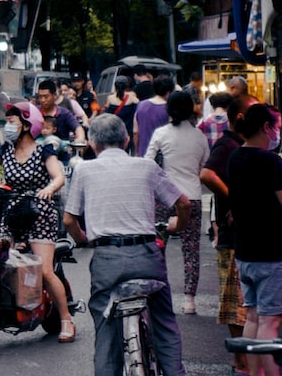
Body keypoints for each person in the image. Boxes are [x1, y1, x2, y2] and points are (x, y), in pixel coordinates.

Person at [62, 113, 190, 376]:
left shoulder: (84, 170)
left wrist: (83, 239)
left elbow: (69, 220)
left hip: (107, 260)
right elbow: (184, 203)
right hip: (146, 256)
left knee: (106, 332)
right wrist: (178, 225)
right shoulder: (146, 166)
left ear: (93, 144)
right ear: (125, 139)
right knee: (164, 322)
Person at [0, 102, 79, 342]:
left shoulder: (44, 151)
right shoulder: (5, 150)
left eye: (12, 122)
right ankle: (9, 307)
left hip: (39, 213)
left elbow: (58, 177)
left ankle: (66, 319)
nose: (7, 126)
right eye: (7, 121)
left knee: (44, 270)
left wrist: (48, 189)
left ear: (26, 125)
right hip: (12, 213)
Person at [226, 103, 282, 376]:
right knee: (270, 323)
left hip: (246, 251)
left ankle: (252, 372)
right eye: (278, 126)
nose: (278, 132)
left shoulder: (235, 158)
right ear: (266, 127)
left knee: (252, 316)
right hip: (273, 251)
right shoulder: (271, 160)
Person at [146, 91, 209, 314]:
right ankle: (189, 299)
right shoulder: (200, 136)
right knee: (191, 249)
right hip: (191, 196)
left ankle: (159, 293)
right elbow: (203, 166)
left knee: (158, 247)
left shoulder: (161, 134)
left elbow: (147, 163)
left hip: (164, 197)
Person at [200, 95, 249, 373]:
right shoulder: (227, 144)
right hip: (231, 234)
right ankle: (240, 358)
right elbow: (207, 175)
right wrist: (234, 199)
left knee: (241, 300)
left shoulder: (240, 145)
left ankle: (243, 357)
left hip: (239, 232)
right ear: (240, 118)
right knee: (235, 302)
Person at [133, 75, 173, 156]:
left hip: (143, 153)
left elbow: (135, 132)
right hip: (162, 154)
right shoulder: (169, 109)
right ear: (168, 92)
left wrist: (137, 150)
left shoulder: (141, 105)